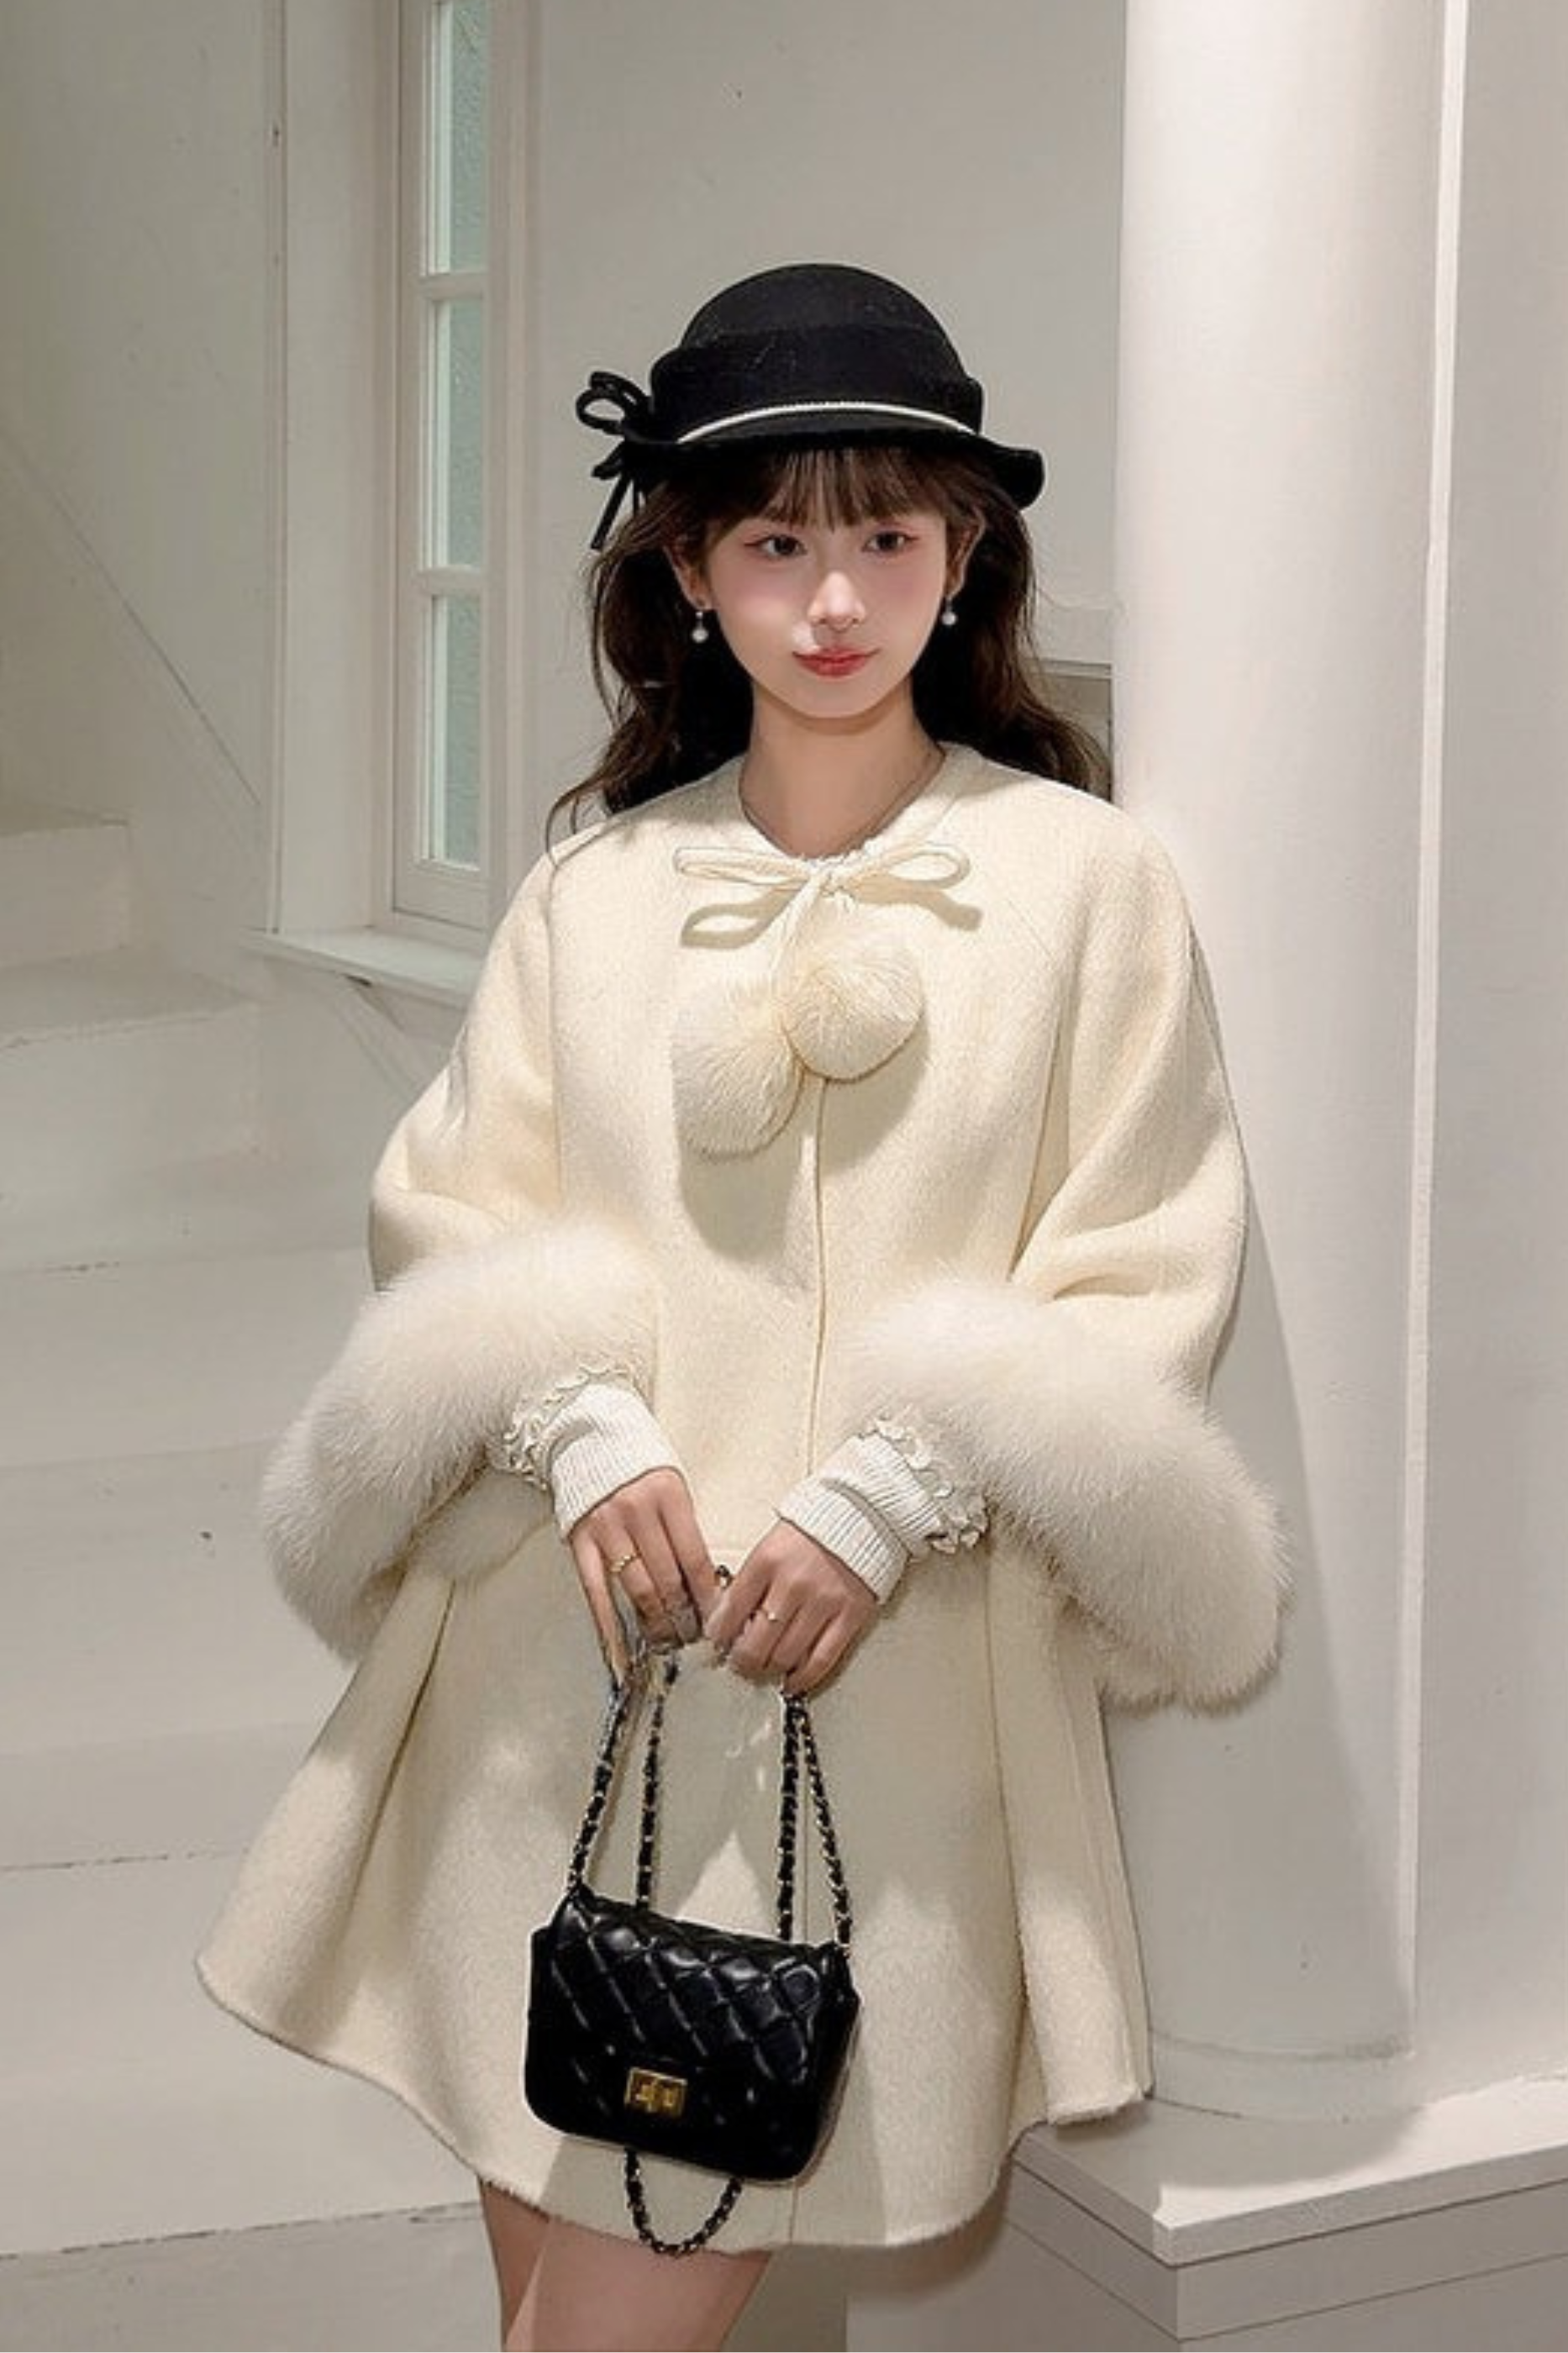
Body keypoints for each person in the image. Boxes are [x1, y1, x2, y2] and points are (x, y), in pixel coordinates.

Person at [196, 263, 1288, 2353]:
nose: (835, 596)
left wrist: (888, 1491)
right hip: (546, 1701)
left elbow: (1144, 1248)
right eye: (777, 541)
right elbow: (454, 1205)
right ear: (689, 571)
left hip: (865, 1723)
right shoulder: (592, 892)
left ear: (966, 557)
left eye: (888, 534)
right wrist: (581, 1423)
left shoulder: (1086, 884)